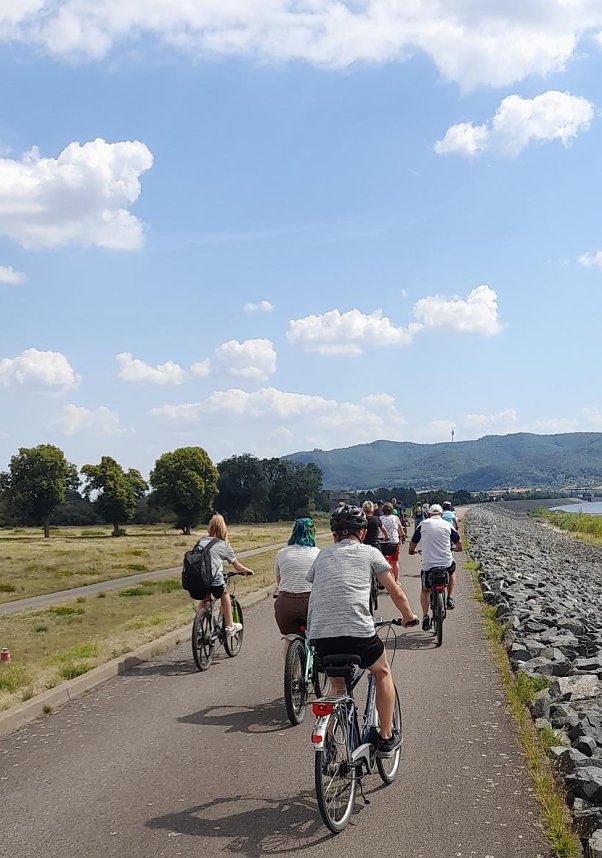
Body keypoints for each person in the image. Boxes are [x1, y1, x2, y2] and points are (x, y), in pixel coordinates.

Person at [306, 505, 418, 755]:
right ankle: (387, 737)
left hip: (321, 638)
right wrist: (408, 616)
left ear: (334, 535)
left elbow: (316, 584)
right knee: (382, 672)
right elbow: (395, 591)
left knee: (337, 688)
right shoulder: (369, 553)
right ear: (364, 532)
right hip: (358, 634)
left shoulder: (322, 555)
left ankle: (329, 745)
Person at [192, 513, 253, 635]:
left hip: (199, 580)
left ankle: (198, 628)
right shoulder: (224, 545)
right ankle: (230, 626)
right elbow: (237, 566)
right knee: (224, 593)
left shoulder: (201, 541)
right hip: (215, 580)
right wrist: (247, 571)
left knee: (205, 598)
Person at [408, 503, 462, 630]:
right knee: (452, 570)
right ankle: (449, 598)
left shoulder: (423, 524)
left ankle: (425, 615)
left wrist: (411, 551)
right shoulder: (447, 524)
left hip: (429, 564)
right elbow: (459, 542)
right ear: (441, 514)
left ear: (428, 514)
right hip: (445, 563)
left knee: (425, 589)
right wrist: (457, 548)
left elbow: (413, 542)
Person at [274, 518, 320, 656]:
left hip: (285, 603)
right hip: (310, 602)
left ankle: (291, 673)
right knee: (318, 637)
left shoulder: (281, 553)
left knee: (289, 638)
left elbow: (279, 581)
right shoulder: (318, 553)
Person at [380, 501, 405, 582]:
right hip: (393, 542)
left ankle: (383, 580)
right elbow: (400, 529)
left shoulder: (380, 519)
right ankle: (397, 581)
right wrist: (402, 535)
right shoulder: (395, 518)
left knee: (383, 561)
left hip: (382, 542)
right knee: (395, 562)